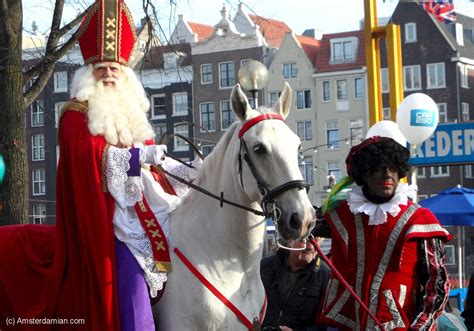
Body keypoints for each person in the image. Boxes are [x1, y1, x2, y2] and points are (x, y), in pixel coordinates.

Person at [0, 1, 198, 330]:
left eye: (115, 68)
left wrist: (192, 172)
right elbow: (91, 161)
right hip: (110, 228)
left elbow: (156, 175)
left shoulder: (133, 118)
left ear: (125, 74)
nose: (108, 73)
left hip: (151, 222)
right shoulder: (76, 115)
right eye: (101, 67)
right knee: (133, 280)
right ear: (88, 72)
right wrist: (138, 158)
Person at [313, 136, 451, 330]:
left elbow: (437, 282)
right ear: (364, 174)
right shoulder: (341, 213)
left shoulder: (419, 219)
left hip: (398, 325)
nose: (388, 175)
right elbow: (299, 223)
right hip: (344, 322)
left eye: (393, 169)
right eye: (379, 168)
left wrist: (422, 326)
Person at [260, 236, 329, 331]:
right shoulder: (263, 267)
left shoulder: (326, 276)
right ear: (289, 239)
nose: (310, 246)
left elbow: (325, 326)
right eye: (305, 239)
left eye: (315, 240)